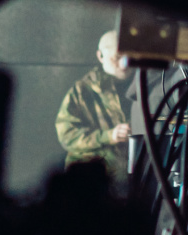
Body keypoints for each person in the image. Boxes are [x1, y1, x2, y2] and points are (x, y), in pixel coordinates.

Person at [56, 29, 131, 181]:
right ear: (101, 56)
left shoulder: (142, 85)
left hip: (133, 174)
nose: (123, 64)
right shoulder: (83, 90)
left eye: (129, 57)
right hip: (94, 179)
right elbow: (67, 135)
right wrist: (108, 136)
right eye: (116, 58)